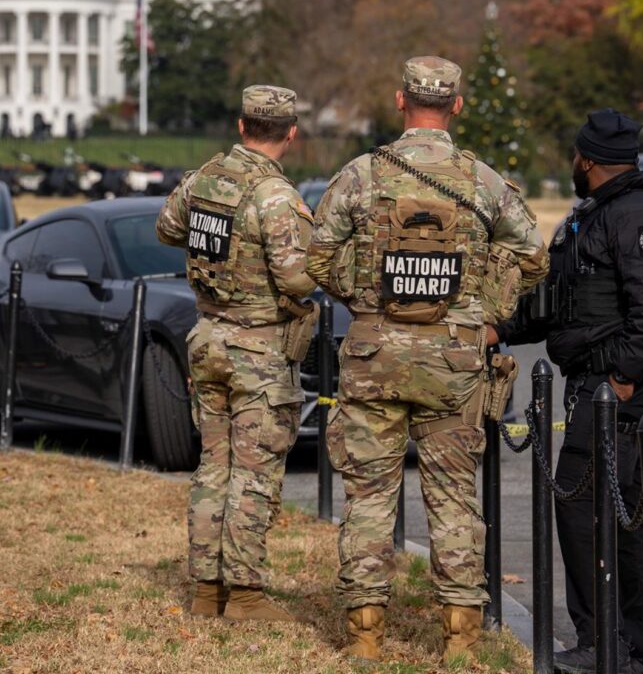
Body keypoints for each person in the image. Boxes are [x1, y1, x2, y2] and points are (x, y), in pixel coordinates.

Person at [307, 56, 549, 663]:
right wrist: (485, 311)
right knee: (453, 498)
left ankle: (364, 637)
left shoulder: (362, 175)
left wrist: (364, 297)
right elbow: (533, 255)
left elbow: (316, 257)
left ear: (400, 101)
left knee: (368, 498)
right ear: (457, 106)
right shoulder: (483, 182)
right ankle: (461, 643)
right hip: (454, 362)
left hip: (373, 357)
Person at [500, 108, 643, 674]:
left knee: (597, 513)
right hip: (595, 387)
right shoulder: (595, 215)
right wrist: (501, 329)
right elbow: (559, 301)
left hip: (619, 396)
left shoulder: (640, 215)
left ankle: (616, 643)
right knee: (610, 517)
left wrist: (622, 382)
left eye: (574, 157)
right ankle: (629, 645)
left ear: (586, 159)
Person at [156, 85, 317, 622]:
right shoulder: (274, 196)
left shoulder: (205, 179)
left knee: (213, 467)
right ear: (290, 134)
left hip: (209, 340)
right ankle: (245, 596)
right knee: (253, 472)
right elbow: (296, 278)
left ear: (243, 124)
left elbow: (167, 227)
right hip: (259, 352)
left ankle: (205, 591)